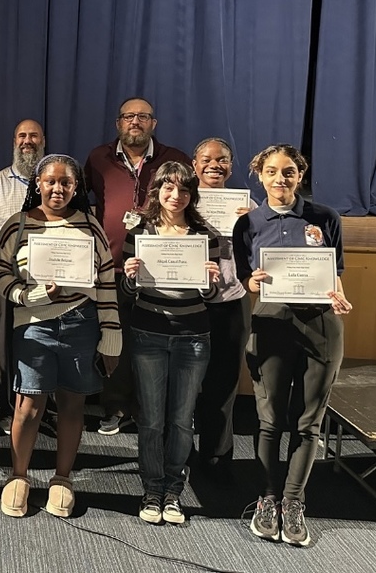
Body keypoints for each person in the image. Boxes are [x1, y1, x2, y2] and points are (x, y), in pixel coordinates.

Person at [233, 144, 353, 548]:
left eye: (288, 172)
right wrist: (251, 284)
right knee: (269, 421)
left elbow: (333, 273)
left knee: (308, 422)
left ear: (299, 175)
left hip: (322, 325)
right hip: (271, 324)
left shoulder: (325, 218)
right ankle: (267, 499)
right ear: (259, 176)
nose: (280, 179)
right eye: (271, 171)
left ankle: (293, 502)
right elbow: (246, 277)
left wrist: (339, 296)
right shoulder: (247, 224)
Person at [0, 154, 121, 518]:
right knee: (28, 406)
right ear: (38, 185)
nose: (57, 189)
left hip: (81, 323)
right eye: (50, 182)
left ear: (76, 187)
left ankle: (62, 479)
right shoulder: (17, 226)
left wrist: (111, 333)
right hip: (32, 327)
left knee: (72, 404)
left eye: (66, 182)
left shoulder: (90, 227)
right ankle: (18, 476)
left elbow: (106, 280)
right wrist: (30, 295)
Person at [117, 162, 220, 526]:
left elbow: (212, 295)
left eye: (184, 190)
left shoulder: (206, 234)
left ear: (192, 195)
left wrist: (210, 282)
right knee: (151, 420)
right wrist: (130, 277)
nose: (176, 197)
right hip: (149, 333)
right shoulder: (140, 231)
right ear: (157, 190)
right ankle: (151, 489)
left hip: (193, 336)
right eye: (168, 189)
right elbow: (131, 291)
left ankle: (173, 491)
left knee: (181, 420)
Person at [84, 98, 191, 435]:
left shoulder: (174, 158)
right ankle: (114, 407)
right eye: (129, 117)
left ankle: (150, 409)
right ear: (118, 123)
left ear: (153, 124)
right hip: (111, 267)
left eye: (143, 117)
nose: (136, 122)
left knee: (153, 343)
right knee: (114, 340)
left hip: (161, 271)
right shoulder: (98, 158)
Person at [191, 138, 254, 477]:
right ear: (194, 164)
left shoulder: (248, 207)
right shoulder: (181, 201)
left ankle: (216, 456)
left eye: (223, 160)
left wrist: (255, 226)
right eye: (207, 159)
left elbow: (264, 253)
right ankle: (181, 453)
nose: (214, 165)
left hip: (232, 301)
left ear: (232, 166)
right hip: (189, 304)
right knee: (186, 383)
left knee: (224, 381)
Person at [0, 119, 45, 434]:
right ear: (13, 141)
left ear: (43, 140)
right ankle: (7, 410)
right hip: (3, 278)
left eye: (33, 135)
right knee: (5, 346)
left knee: (43, 344)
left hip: (47, 281)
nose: (27, 141)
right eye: (21, 135)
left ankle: (43, 411)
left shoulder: (56, 180)